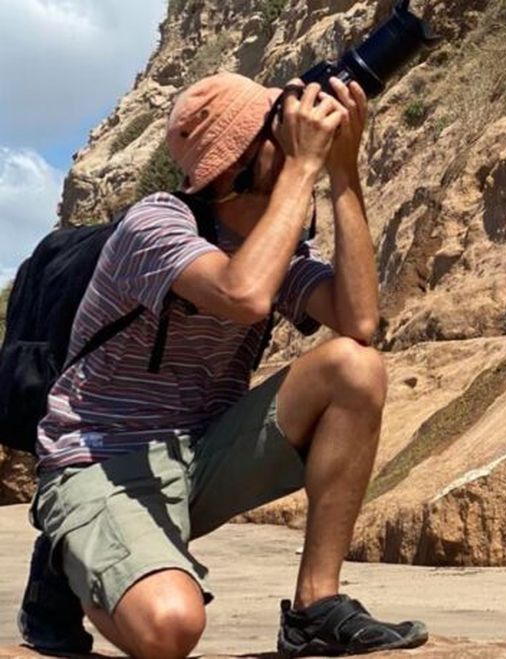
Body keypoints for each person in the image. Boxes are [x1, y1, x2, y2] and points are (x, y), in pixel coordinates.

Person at [16, 71, 428, 658]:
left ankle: (315, 607)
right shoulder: (154, 224)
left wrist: (343, 173)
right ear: (236, 162)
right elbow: (243, 294)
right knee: (170, 629)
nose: (294, 135)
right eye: (277, 130)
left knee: (355, 367)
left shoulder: (279, 244)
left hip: (202, 455)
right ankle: (66, 561)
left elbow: (359, 320)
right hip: (103, 463)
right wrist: (303, 168)